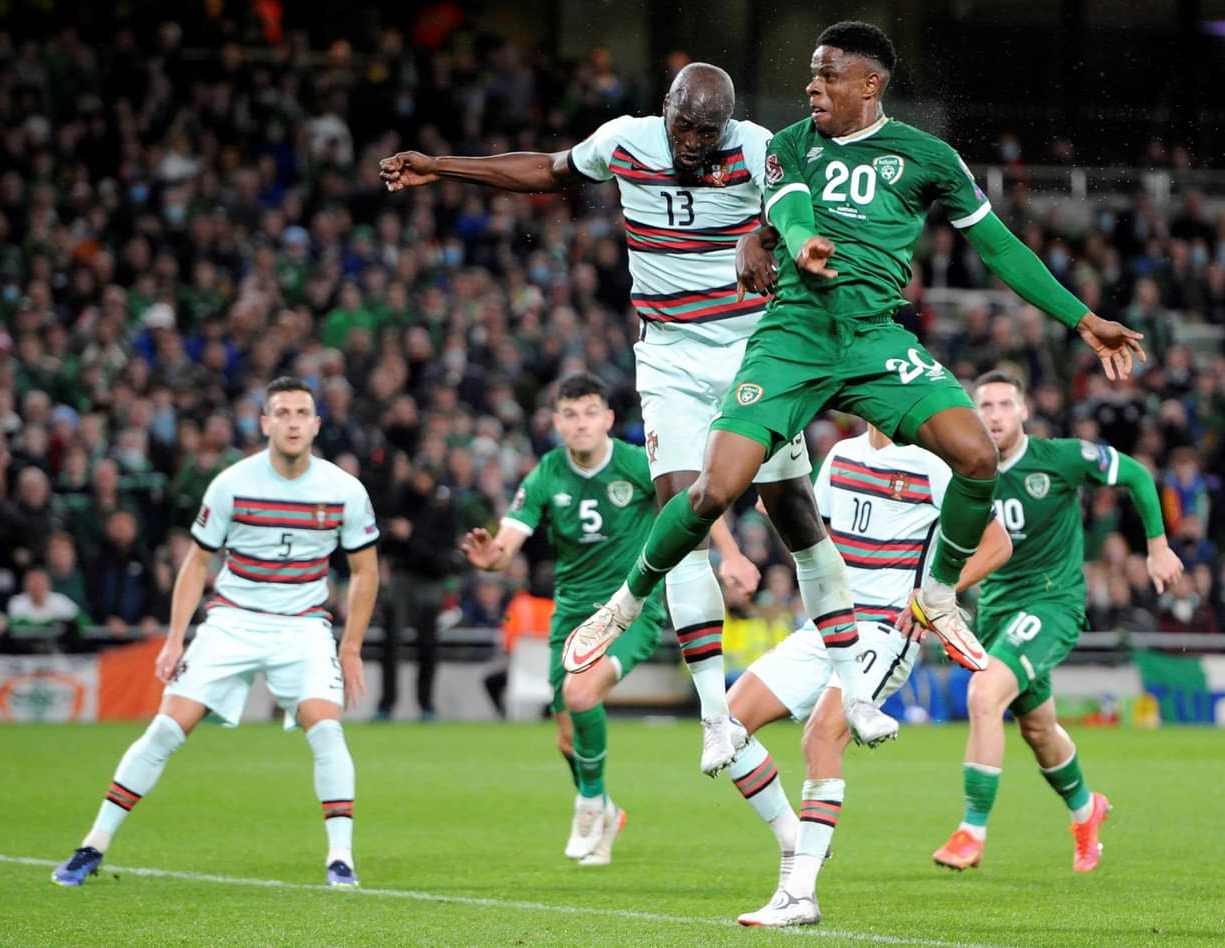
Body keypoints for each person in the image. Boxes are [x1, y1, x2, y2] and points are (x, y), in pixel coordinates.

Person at [561, 21, 1146, 707]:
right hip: (792, 338)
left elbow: (1000, 248)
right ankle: (624, 604)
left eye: (828, 73)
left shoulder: (928, 157)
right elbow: (792, 210)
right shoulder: (785, 146)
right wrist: (800, 243)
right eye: (811, 71)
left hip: (874, 340)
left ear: (870, 85)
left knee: (978, 457)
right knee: (711, 492)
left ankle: (937, 594)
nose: (811, 84)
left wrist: (1083, 320)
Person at [381, 61, 899, 767]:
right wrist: (443, 166)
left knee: (796, 513)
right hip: (670, 357)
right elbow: (547, 170)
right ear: (665, 110)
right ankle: (716, 716)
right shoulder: (625, 140)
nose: (693, 141)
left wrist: (768, 237)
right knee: (679, 516)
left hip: (754, 351)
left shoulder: (753, 146)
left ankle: (855, 692)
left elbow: (798, 205)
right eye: (684, 125)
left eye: (706, 131)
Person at [51, 377, 381, 888]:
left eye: (302, 413)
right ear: (265, 423)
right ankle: (93, 844)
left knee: (327, 730)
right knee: (165, 728)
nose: (293, 421)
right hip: (232, 620)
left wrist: (352, 646)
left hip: (303, 626)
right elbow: (196, 563)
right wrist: (175, 638)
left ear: (316, 424)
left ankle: (341, 859)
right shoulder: (232, 483)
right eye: (282, 412)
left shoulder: (344, 490)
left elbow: (366, 572)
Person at [725, 425, 1011, 927]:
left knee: (820, 737)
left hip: (887, 628)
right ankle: (797, 835)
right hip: (828, 623)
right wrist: (783, 519)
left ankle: (800, 892)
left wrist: (934, 595)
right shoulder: (841, 455)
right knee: (727, 723)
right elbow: (821, 547)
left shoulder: (936, 464)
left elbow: (996, 544)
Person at [462, 373, 720, 865]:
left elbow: (696, 503)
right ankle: (607, 811)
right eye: (569, 415)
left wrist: (731, 557)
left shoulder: (636, 463)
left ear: (607, 419)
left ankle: (588, 804)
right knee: (566, 736)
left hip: (630, 609)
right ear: (557, 422)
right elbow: (505, 545)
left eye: (589, 414)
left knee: (581, 696)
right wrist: (490, 557)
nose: (580, 424)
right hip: (572, 615)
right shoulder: (546, 473)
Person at [932, 371, 1183, 873]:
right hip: (998, 611)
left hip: (1052, 603)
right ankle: (1088, 810)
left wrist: (1157, 546)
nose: (996, 414)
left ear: (1024, 411)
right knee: (1039, 729)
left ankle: (971, 832)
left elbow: (1134, 472)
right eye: (985, 405)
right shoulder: (964, 470)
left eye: (1006, 403)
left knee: (984, 696)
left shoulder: (1060, 459)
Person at [376, 458, 460, 721]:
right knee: (390, 645)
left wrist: (411, 535)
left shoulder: (444, 505)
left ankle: (426, 705)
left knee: (427, 645)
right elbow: (382, 529)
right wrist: (392, 535)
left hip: (429, 578)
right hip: (401, 575)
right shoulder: (401, 496)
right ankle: (386, 704)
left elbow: (442, 546)